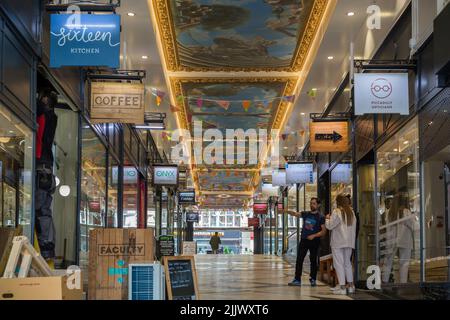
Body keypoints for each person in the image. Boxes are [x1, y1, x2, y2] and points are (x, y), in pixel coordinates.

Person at [35, 88, 58, 260]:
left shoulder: (44, 115)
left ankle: (45, 247)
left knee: (41, 208)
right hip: (46, 167)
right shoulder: (51, 117)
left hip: (41, 165)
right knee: (43, 209)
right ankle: (46, 248)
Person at [284, 198, 326, 287]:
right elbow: (296, 214)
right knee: (299, 259)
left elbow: (324, 231)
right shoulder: (306, 214)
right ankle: (297, 279)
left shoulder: (321, 217)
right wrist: (287, 211)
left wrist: (314, 235)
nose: (312, 205)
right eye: (311, 203)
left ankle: (313, 279)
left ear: (318, 205)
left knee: (313, 260)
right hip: (304, 240)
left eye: (314, 203)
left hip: (314, 241)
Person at [325, 194, 357, 295]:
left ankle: (342, 287)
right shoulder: (351, 212)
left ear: (338, 202)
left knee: (339, 264)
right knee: (347, 263)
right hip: (349, 242)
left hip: (338, 242)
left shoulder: (337, 211)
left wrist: (327, 219)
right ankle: (351, 286)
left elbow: (330, 226)